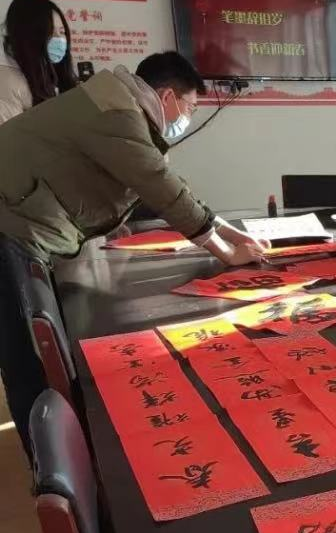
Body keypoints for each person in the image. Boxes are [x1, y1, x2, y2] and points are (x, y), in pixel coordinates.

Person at [0, 51, 268, 448]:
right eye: (190, 107)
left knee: (35, 352)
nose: (187, 117)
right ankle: (51, 458)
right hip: (12, 226)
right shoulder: (116, 114)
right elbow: (159, 185)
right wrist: (227, 254)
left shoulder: (116, 103)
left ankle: (59, 448)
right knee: (28, 358)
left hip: (21, 219)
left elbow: (173, 186)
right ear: (167, 96)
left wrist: (232, 234)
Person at [0, 0, 77, 124]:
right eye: (50, 33)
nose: (59, 39)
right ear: (27, 37)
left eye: (62, 32)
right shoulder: (6, 81)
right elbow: (8, 135)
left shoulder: (50, 72)